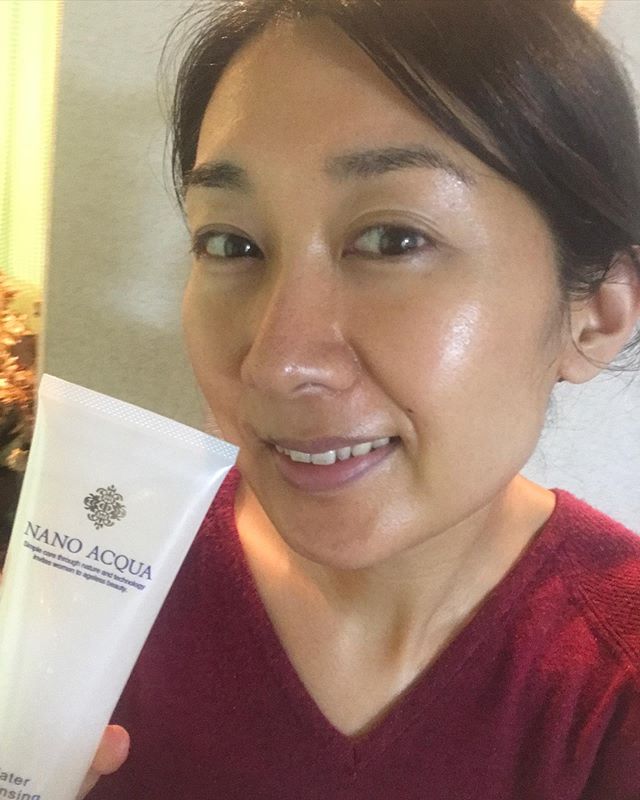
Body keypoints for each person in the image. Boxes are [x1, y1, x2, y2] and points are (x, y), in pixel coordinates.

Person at [80, 0, 640, 797]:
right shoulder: (96, 576)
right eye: (231, 243)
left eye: (393, 240)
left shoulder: (613, 681)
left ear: (597, 314)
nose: (276, 363)